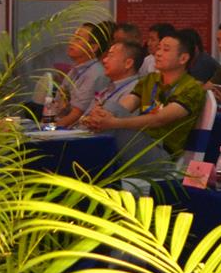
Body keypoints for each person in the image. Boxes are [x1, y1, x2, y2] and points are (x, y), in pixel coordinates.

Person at [83, 29, 207, 176]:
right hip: (140, 142)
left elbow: (159, 119)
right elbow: (123, 107)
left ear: (183, 58)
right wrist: (102, 115)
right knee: (110, 107)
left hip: (161, 156)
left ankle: (89, 170)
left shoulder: (191, 88)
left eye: (166, 50)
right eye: (159, 48)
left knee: (111, 115)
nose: (158, 53)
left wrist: (113, 122)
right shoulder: (150, 80)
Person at [51, 23, 110, 128]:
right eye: (73, 37)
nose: (71, 42)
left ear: (93, 47)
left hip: (76, 131)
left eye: (78, 39)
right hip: (61, 126)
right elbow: (58, 102)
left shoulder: (96, 73)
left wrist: (49, 129)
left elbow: (76, 114)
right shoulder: (74, 70)